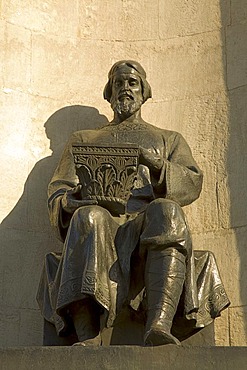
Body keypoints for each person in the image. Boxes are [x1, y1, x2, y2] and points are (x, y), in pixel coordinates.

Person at [37, 60, 229, 346]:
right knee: (88, 216)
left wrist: (156, 164)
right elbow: (58, 191)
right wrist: (70, 200)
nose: (125, 89)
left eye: (132, 82)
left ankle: (159, 325)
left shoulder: (167, 139)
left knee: (167, 210)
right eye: (119, 83)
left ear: (144, 91)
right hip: (103, 225)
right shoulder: (84, 139)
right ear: (109, 92)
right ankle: (88, 334)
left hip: (147, 227)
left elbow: (192, 183)